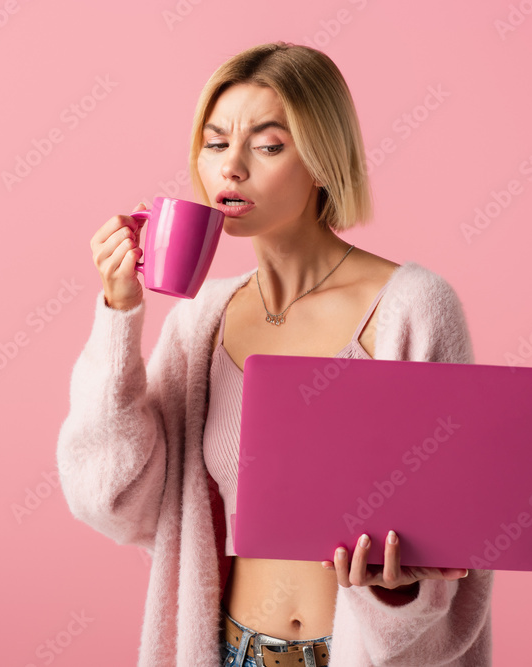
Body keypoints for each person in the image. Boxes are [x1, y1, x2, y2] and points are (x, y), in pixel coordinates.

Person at [56, 42, 493, 666]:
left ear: (321, 160)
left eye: (266, 145)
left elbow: (458, 536)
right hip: (231, 651)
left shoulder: (413, 308)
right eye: (215, 144)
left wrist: (402, 592)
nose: (230, 168)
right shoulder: (200, 322)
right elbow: (111, 496)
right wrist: (119, 313)